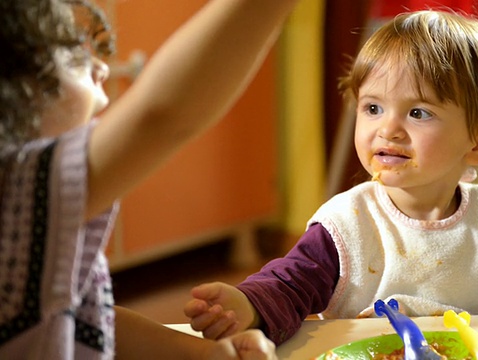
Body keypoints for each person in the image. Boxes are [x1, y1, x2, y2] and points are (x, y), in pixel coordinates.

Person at [183, 9, 478, 359]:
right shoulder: (347, 224)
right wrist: (248, 305)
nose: (388, 130)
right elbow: (290, 283)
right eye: (373, 108)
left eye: (418, 113)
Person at [0, 0, 300, 358]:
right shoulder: (12, 195)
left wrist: (207, 354)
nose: (100, 67)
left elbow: (89, 319)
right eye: (72, 55)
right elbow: (163, 115)